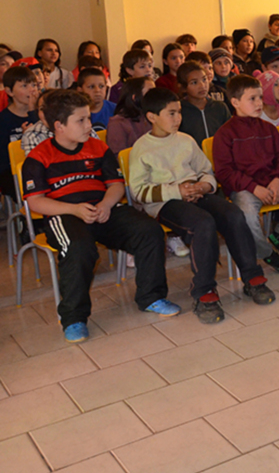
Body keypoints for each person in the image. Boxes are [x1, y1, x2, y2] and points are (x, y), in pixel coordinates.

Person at [22, 90, 180, 343]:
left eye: (88, 118)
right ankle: (74, 318)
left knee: (149, 230)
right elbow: (35, 201)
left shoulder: (97, 147)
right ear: (59, 126)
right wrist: (74, 209)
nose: (89, 125)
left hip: (103, 209)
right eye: (81, 120)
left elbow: (116, 184)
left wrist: (106, 204)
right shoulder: (39, 157)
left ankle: (152, 297)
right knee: (78, 248)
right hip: (64, 215)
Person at [129, 88, 275, 324]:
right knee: (202, 224)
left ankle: (252, 277)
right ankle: (204, 292)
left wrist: (204, 186)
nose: (178, 118)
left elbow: (206, 171)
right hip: (165, 203)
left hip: (196, 194)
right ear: (152, 117)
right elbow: (138, 191)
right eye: (171, 113)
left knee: (233, 214)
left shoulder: (186, 140)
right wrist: (177, 191)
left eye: (179, 112)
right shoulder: (142, 148)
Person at [213, 74, 279, 274]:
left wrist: (278, 179)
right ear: (235, 102)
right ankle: (267, 252)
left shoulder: (268, 129)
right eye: (252, 99)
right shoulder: (225, 134)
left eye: (260, 98)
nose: (258, 103)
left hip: (273, 182)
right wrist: (254, 188)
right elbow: (225, 172)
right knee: (247, 214)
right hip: (244, 188)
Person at [1, 66, 39, 198]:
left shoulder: (41, 114)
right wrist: (24, 140)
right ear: (9, 91)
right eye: (24, 86)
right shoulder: (3, 120)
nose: (32, 90)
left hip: (39, 166)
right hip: (12, 171)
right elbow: (3, 159)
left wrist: (33, 112)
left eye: (33, 85)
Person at [178, 61, 232, 146]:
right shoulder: (179, 110)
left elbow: (230, 135)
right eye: (194, 82)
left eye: (204, 79)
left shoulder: (220, 107)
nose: (202, 85)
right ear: (184, 87)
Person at [106, 77, 154, 155]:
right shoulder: (117, 123)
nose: (155, 96)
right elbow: (118, 156)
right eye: (150, 92)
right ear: (135, 97)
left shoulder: (151, 117)